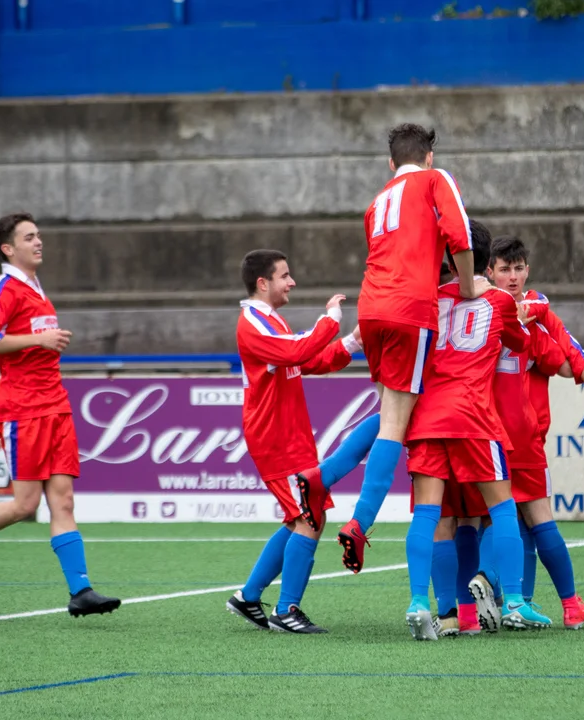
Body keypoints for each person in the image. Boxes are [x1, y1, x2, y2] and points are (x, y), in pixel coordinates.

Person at [0, 212, 120, 618]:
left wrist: (42, 341)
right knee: (25, 505)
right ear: (8, 248)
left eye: (38, 235)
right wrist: (40, 338)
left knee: (63, 500)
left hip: (55, 405)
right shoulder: (3, 289)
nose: (38, 242)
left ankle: (81, 591)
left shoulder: (35, 287)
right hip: (23, 410)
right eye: (29, 237)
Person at [339, 123, 489, 574]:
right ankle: (360, 522)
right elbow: (459, 234)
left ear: (391, 162)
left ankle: (323, 477)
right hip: (409, 309)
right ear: (428, 157)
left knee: (390, 412)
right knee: (395, 423)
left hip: (370, 309)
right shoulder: (435, 179)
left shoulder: (377, 202)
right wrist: (468, 287)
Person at [401, 221, 551, 640]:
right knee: (502, 509)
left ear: (450, 260)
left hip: (427, 417)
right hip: (474, 416)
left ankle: (420, 603)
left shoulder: (429, 299)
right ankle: (515, 602)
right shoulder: (500, 301)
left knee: (429, 514)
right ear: (488, 263)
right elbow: (522, 343)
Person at [225, 249, 379, 634]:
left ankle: (249, 596)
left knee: (304, 516)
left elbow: (307, 361)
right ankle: (286, 610)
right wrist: (331, 319)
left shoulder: (268, 318)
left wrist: (352, 342)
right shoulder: (252, 322)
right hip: (276, 438)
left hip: (288, 435)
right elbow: (298, 350)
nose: (291, 282)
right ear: (263, 283)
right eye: (284, 276)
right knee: (310, 516)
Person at [488, 235, 584, 629]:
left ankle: (503, 604)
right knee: (538, 520)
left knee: (500, 522)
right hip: (521, 436)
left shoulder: (479, 310)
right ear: (489, 272)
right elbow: (564, 360)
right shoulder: (532, 322)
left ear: (528, 270)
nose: (513, 276)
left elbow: (568, 348)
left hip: (483, 432)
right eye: (505, 269)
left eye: (518, 268)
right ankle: (569, 604)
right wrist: (537, 315)